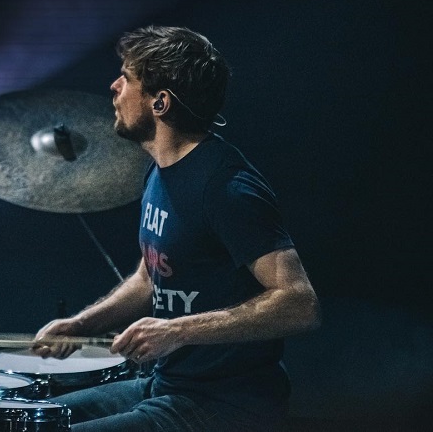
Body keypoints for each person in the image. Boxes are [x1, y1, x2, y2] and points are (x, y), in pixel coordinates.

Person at [32, 25, 321, 431]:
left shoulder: (227, 187)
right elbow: (150, 276)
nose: (114, 87)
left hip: (226, 404)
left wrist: (178, 331)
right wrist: (81, 325)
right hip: (166, 384)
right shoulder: (160, 171)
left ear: (161, 102)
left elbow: (300, 304)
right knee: (36, 418)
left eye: (126, 78)